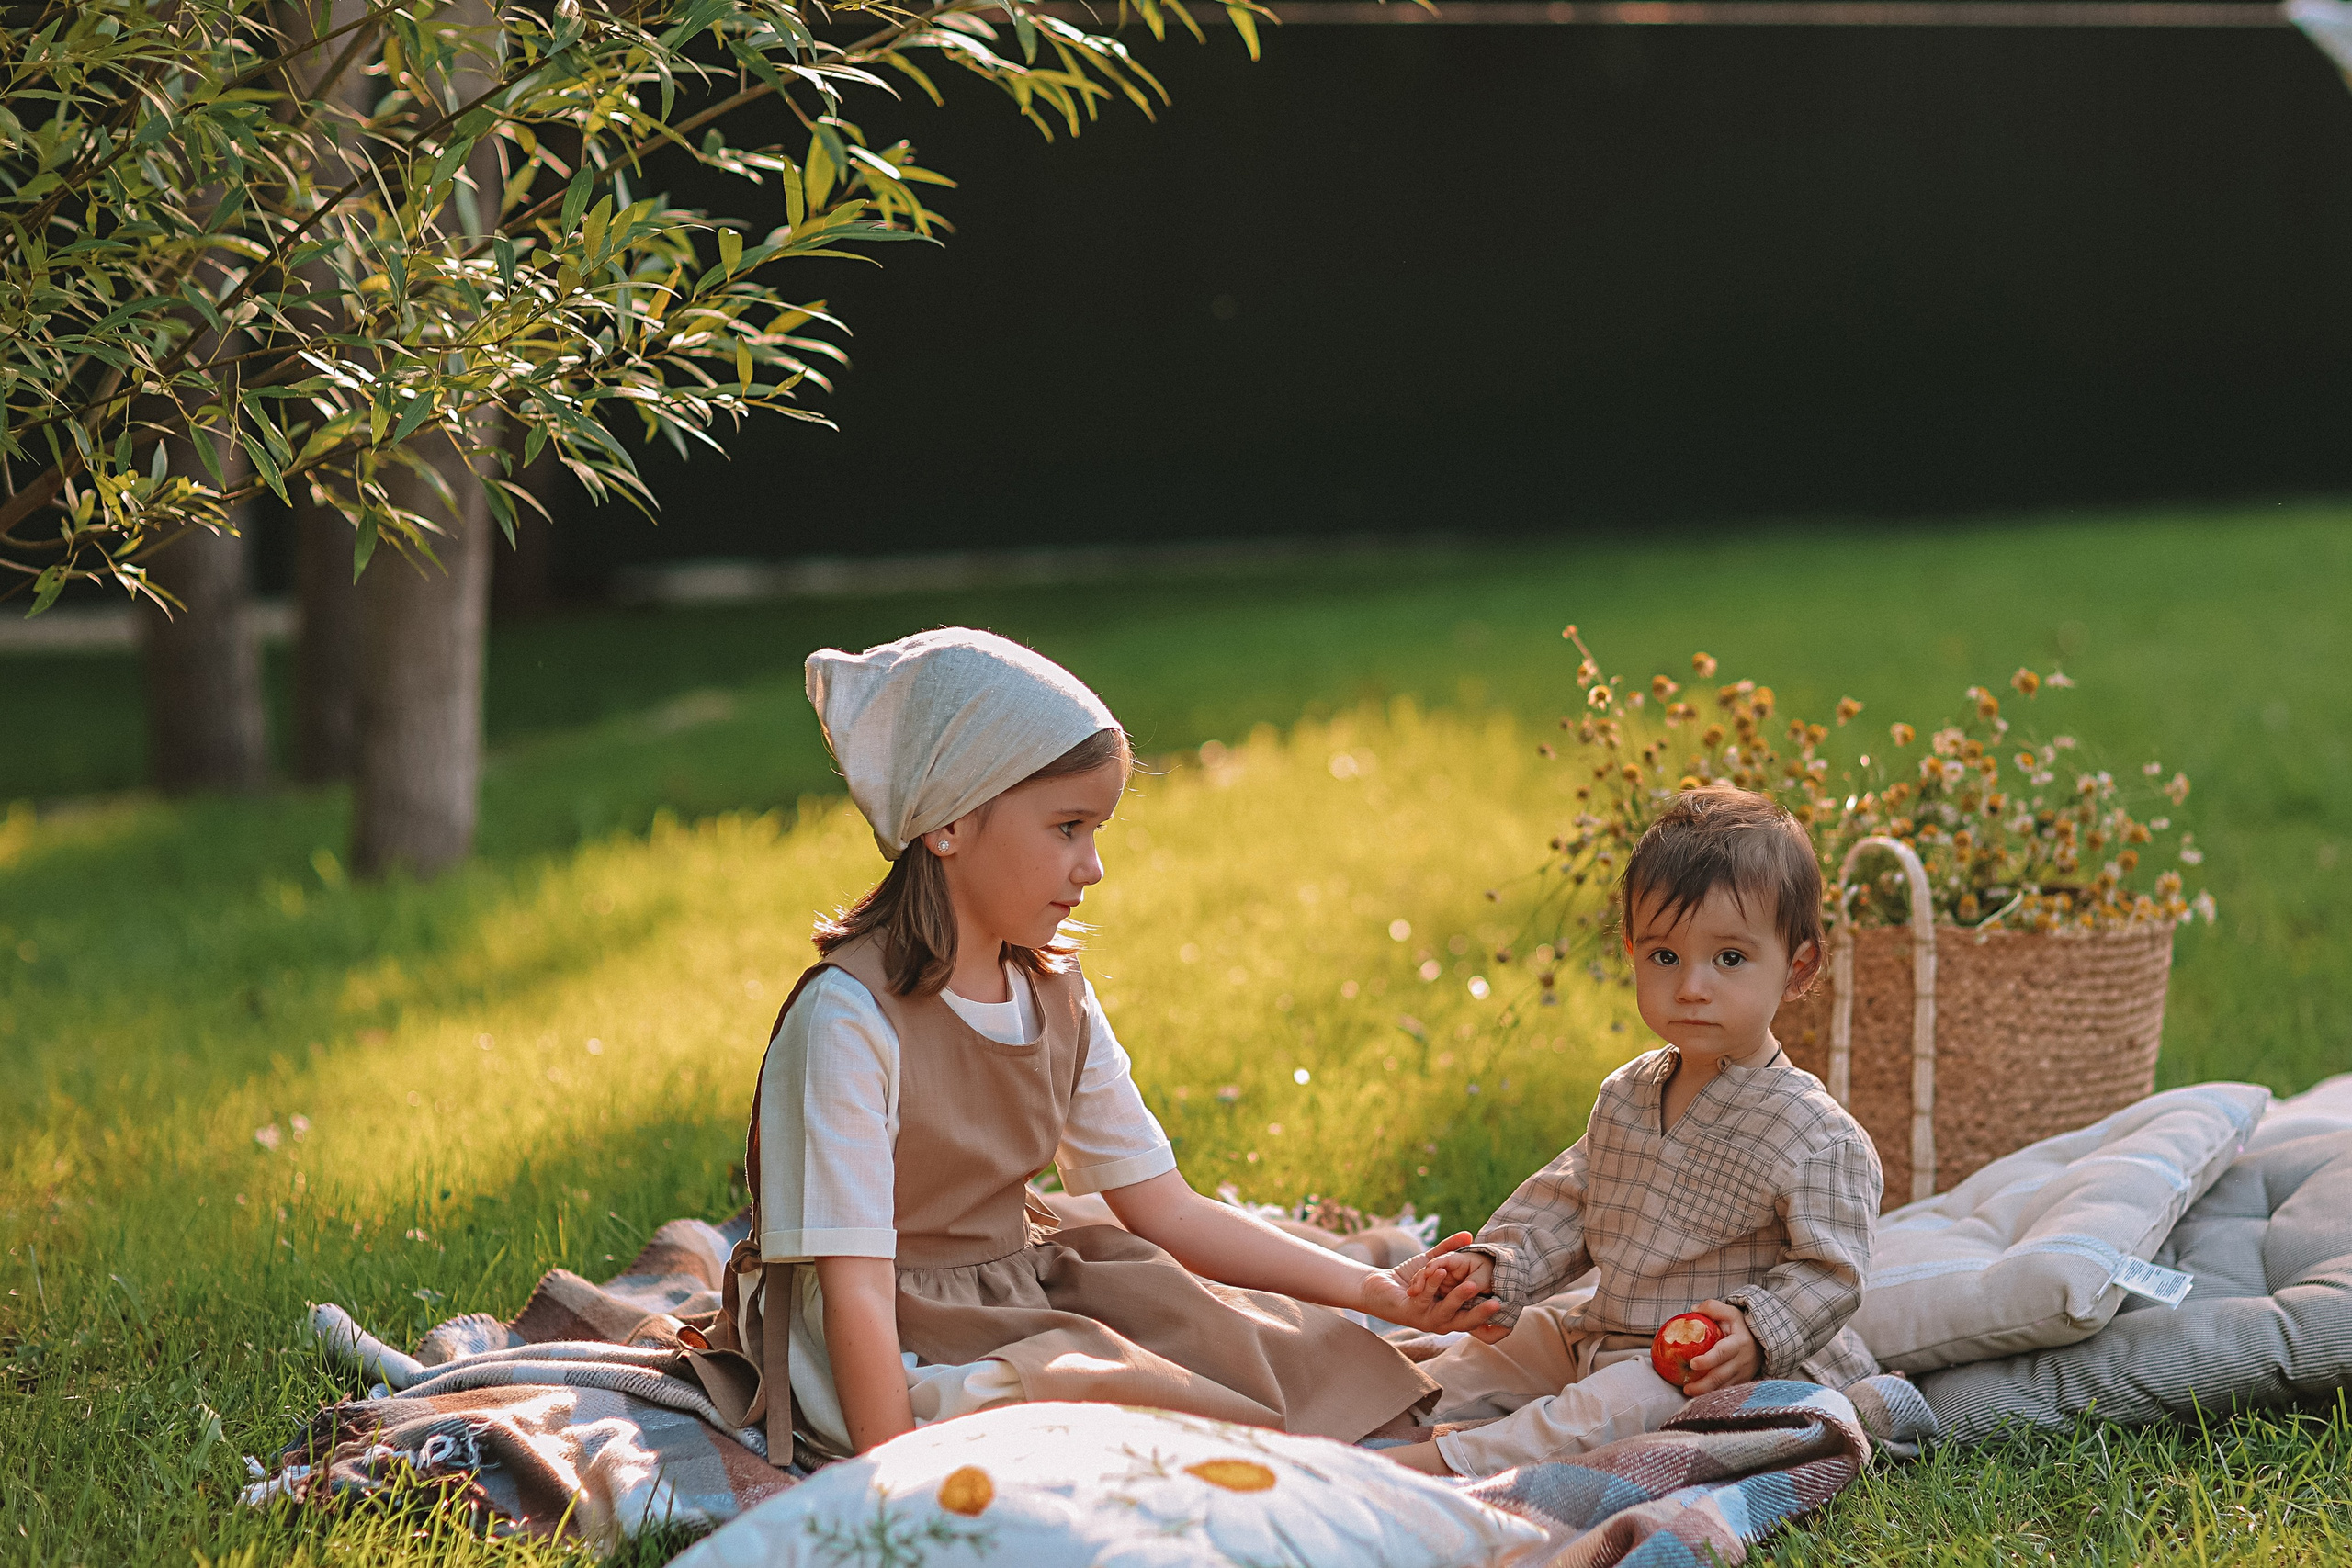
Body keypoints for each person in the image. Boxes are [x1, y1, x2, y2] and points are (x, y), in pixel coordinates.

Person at [715, 627, 1444, 1463]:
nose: (1092, 866)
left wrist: (1371, 1289)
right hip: (885, 1336)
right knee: (1105, 1406)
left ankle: (1343, 1452)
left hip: (1012, 1281)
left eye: (1096, 829)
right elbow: (855, 1291)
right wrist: (891, 1483)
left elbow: (1165, 1207)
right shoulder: (849, 1017)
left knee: (1235, 1332)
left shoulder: (1053, 991)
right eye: (1068, 827)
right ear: (948, 821)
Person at [1382, 784, 1881, 1478]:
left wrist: (1757, 1330)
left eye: (1729, 958)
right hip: (1600, 1326)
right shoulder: (1628, 1093)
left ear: (1796, 968)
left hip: (1699, 1368)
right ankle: (1376, 1412)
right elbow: (1572, 1201)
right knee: (1487, 1353)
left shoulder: (1817, 1134)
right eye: (1665, 957)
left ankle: (1438, 1463)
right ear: (1632, 951)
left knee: (1603, 1409)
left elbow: (1831, 1270)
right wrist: (1501, 1265)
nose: (1692, 986)